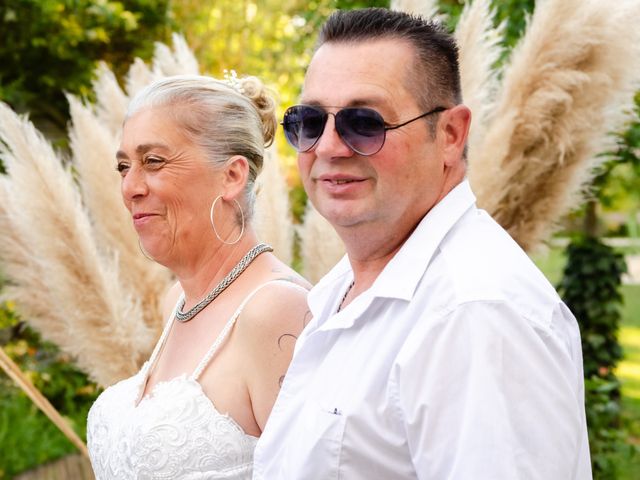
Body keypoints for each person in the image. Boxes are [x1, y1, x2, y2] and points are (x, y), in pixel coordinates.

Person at [254, 8, 591, 480]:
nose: (328, 147)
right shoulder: (344, 289)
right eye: (309, 121)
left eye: (364, 122)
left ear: (451, 135)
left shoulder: (475, 312)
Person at [86, 74, 310, 479]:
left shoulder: (277, 309)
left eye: (153, 161)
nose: (130, 187)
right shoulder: (176, 302)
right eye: (123, 166)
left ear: (232, 175)